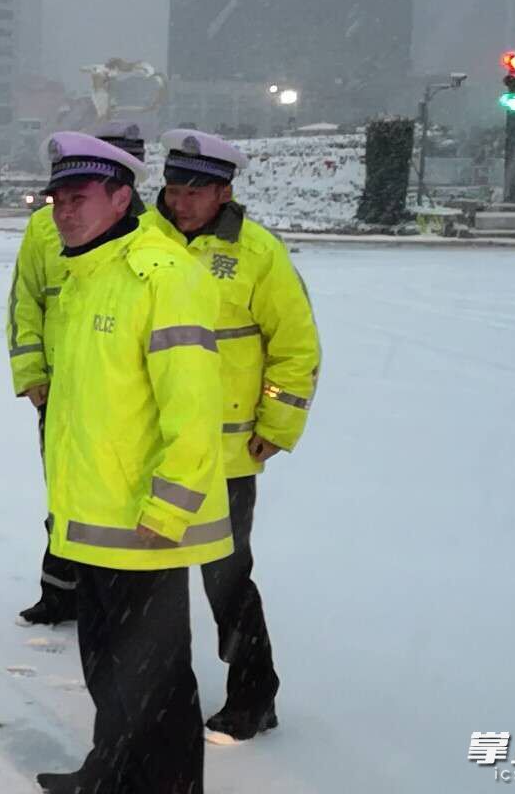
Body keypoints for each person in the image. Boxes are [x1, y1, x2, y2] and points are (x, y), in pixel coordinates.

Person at [32, 132, 229, 794]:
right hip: (93, 515)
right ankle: (109, 775)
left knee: (158, 682)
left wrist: (169, 506)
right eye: (57, 199)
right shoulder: (86, 275)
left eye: (79, 197)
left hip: (143, 524)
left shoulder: (162, 277)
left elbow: (193, 410)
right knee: (107, 667)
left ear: (122, 199)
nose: (64, 211)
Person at [149, 129, 321, 743]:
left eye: (194, 192)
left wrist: (276, 424)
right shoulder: (142, 242)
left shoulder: (258, 254)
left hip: (226, 453)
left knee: (226, 578)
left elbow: (295, 348)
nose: (180, 202)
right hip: (153, 446)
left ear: (224, 192)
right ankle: (153, 694)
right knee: (149, 579)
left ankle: (253, 696)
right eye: (173, 189)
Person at [6, 121, 154, 627]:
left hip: (118, 393)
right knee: (64, 491)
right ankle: (60, 592)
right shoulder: (44, 228)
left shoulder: (153, 232)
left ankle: (111, 600)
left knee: (114, 498)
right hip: (59, 390)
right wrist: (31, 372)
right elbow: (25, 302)